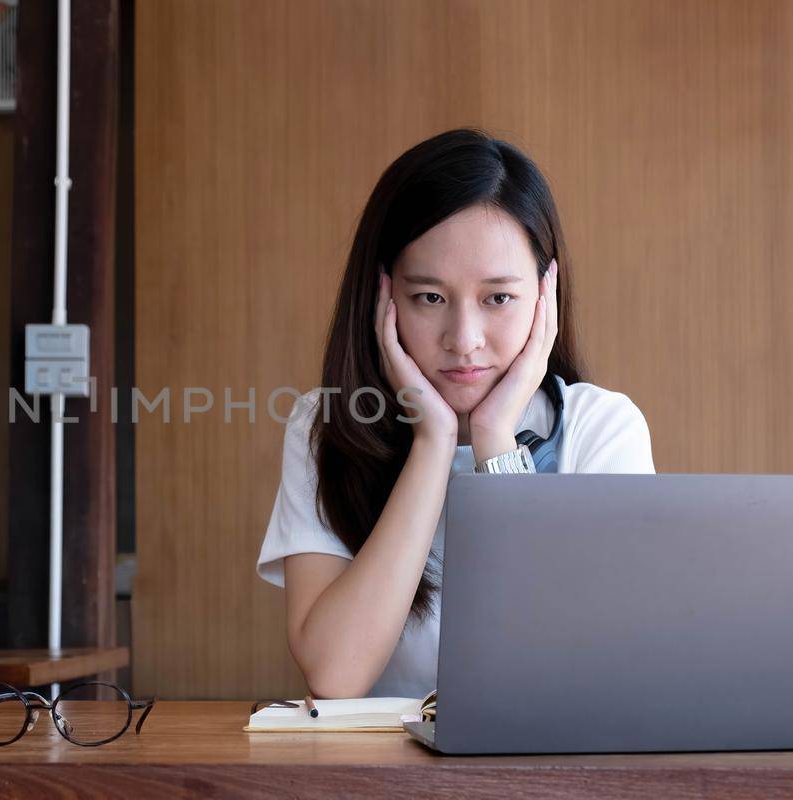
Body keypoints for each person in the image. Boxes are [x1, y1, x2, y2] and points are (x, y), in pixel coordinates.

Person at [256, 129, 655, 699]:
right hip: (380, 780)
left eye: (498, 298)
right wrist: (432, 443)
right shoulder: (326, 425)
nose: (464, 341)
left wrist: (496, 445)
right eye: (430, 298)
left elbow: (579, 668)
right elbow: (335, 675)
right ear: (382, 297)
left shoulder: (602, 429)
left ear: (546, 294)